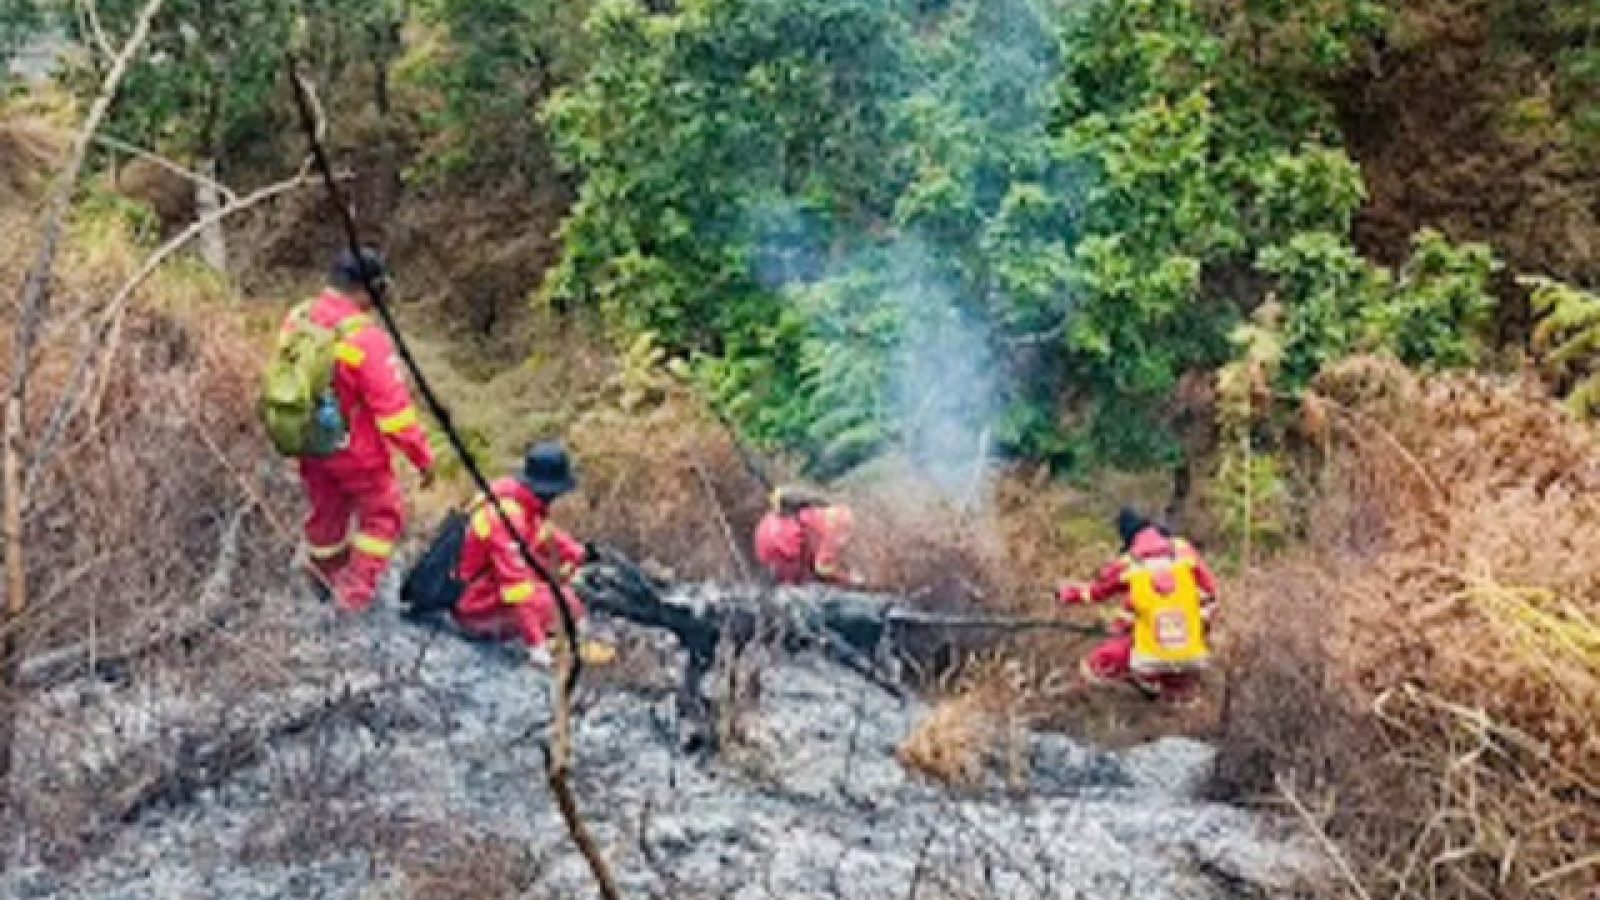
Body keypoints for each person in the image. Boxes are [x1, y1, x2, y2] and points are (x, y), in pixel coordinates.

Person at [291, 248, 434, 612]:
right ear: (368, 289)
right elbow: (395, 416)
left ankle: (320, 585)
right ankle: (351, 600)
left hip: (308, 440)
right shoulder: (365, 339)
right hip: (354, 449)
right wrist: (423, 459)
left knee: (326, 513)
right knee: (384, 516)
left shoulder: (299, 317)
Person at [452, 442, 611, 666]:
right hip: (474, 605)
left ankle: (565, 636)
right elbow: (516, 587)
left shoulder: (523, 500)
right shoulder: (506, 516)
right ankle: (558, 642)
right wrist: (536, 646)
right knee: (562, 605)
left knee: (566, 598)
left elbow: (545, 535)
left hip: (490, 587)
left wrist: (581, 554)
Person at [1057, 507, 1218, 705]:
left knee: (1096, 666)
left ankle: (1137, 693)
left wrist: (1067, 594)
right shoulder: (1185, 550)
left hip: (1148, 656)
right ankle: (1172, 702)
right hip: (1192, 654)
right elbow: (1211, 593)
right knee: (1179, 695)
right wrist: (1202, 627)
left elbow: (1096, 592)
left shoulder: (1129, 563)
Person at [753, 485, 859, 587]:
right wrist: (848, 578)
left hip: (765, 532)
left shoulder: (815, 511)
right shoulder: (834, 532)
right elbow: (822, 567)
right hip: (782, 549)